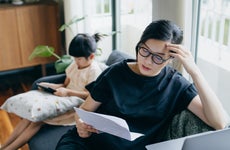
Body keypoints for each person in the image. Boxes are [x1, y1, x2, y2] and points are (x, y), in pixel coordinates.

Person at [55, 20, 229, 150]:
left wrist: (195, 72)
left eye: (158, 57)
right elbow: (84, 111)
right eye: (144, 50)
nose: (147, 60)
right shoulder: (116, 73)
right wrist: (81, 125)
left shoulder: (175, 85)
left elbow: (220, 123)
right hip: (88, 143)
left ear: (171, 58)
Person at [0, 33, 103, 150]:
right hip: (63, 98)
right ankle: (4, 146)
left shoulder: (94, 71)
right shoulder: (75, 65)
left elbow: (91, 95)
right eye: (74, 58)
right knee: (29, 118)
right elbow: (66, 83)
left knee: (36, 121)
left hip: (76, 106)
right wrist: (51, 86)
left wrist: (68, 92)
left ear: (91, 57)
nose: (76, 62)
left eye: (79, 59)